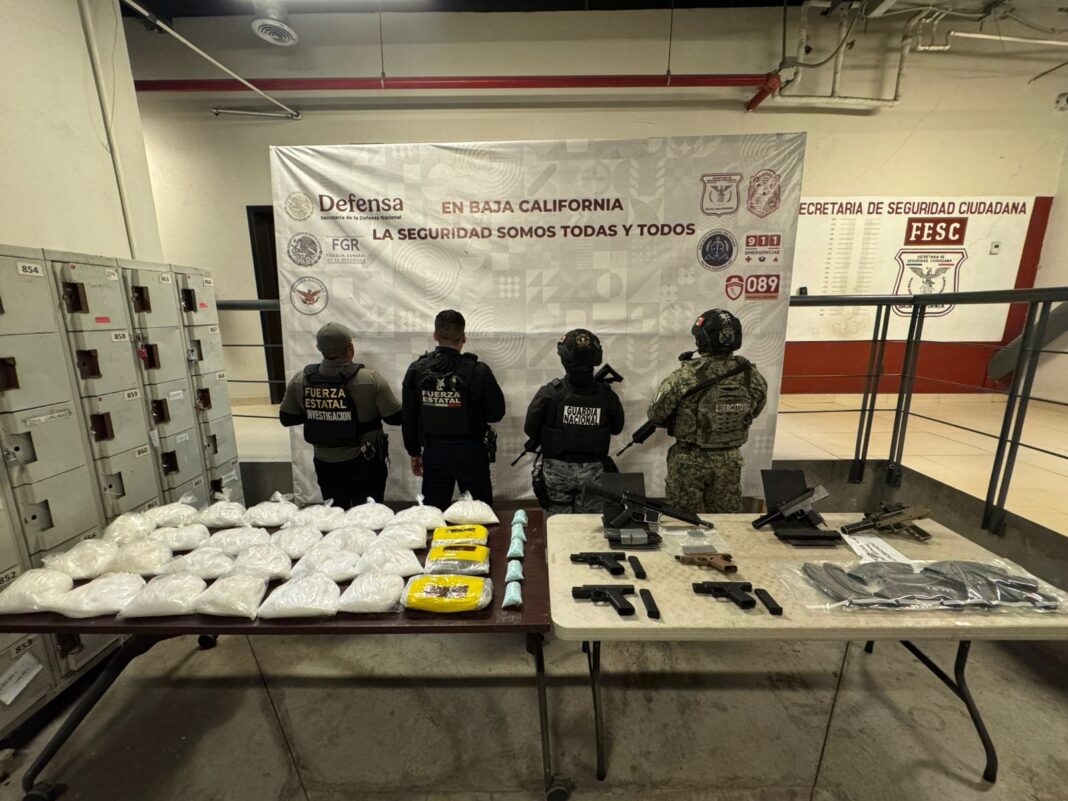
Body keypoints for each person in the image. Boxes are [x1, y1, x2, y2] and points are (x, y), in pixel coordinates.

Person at [647, 309, 767, 514]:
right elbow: (754, 411)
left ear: (702, 340)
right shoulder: (751, 376)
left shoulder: (684, 376)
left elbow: (656, 414)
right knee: (726, 522)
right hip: (729, 460)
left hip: (688, 460)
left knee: (683, 521)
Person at [279, 322, 401, 508]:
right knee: (369, 516)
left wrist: (321, 409)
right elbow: (395, 418)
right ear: (350, 348)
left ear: (319, 349)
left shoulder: (300, 379)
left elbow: (287, 418)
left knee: (335, 514)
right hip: (365, 461)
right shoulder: (370, 379)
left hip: (325, 461)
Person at [401, 310, 506, 509]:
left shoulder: (417, 369)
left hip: (434, 453)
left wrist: (414, 452)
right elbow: (496, 413)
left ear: (435, 335)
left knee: (434, 515)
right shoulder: (479, 370)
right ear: (463, 337)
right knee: (479, 514)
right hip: (471, 452)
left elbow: (408, 416)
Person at [523, 329, 625, 515]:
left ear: (563, 359)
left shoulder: (550, 393)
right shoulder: (607, 395)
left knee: (558, 523)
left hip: (556, 473)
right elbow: (617, 428)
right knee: (590, 525)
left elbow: (530, 429)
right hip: (594, 473)